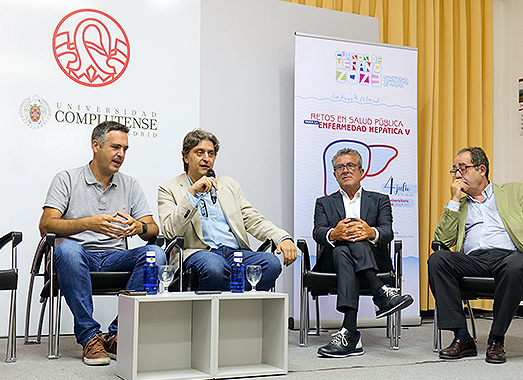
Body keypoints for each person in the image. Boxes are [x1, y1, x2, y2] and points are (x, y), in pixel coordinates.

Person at [39, 121, 166, 366]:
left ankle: (118, 333)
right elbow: (46, 225)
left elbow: (153, 229)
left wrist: (138, 227)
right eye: (115, 147)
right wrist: (88, 223)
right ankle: (90, 337)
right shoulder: (66, 178)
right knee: (66, 249)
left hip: (115, 257)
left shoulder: (130, 184)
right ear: (96, 146)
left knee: (155, 254)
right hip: (78, 255)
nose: (121, 154)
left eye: (125, 149)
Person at [428, 146, 523, 364]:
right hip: (473, 259)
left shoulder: (514, 191)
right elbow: (443, 241)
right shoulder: (460, 204)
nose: (457, 175)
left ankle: (496, 339)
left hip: (509, 256)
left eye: (463, 169)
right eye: (454, 170)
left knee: (516, 266)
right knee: (438, 259)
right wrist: (454, 201)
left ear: (482, 169)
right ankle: (462, 337)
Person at [157, 128, 297, 291]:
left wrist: (281, 237)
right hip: (199, 253)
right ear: (186, 157)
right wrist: (192, 194)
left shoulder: (229, 185)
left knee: (271, 263)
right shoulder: (169, 188)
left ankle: (239, 311)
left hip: (234, 253)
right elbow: (170, 231)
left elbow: (254, 220)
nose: (206, 158)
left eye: (211, 153)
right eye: (199, 152)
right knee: (214, 266)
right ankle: (219, 313)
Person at [313, 148, 413, 358]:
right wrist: (334, 233)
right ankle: (381, 292)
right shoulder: (324, 202)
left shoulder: (379, 200)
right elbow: (318, 231)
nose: (345, 170)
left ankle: (349, 333)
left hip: (373, 259)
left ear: (362, 171)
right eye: (340, 167)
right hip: (332, 263)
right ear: (334, 175)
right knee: (341, 246)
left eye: (350, 166)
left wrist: (370, 232)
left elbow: (386, 231)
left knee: (346, 248)